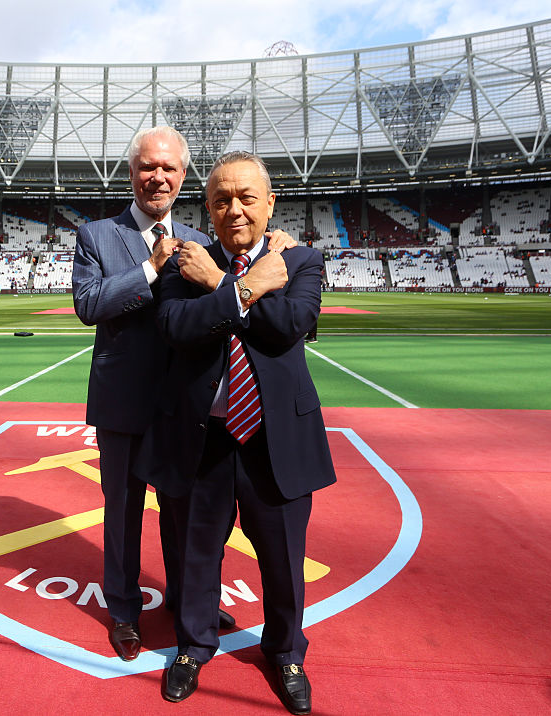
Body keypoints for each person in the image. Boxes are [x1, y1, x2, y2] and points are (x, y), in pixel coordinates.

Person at [72, 127, 295, 663]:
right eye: (149, 166)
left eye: (170, 169)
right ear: (132, 171)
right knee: (122, 510)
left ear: (183, 176)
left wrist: (278, 245)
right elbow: (88, 304)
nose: (159, 177)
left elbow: (245, 268)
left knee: (183, 513)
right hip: (125, 401)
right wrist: (151, 268)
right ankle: (124, 611)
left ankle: (185, 599)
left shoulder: (204, 233)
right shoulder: (97, 235)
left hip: (185, 404)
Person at [136, 151, 337, 714]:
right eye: (221, 199)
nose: (235, 209)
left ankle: (287, 652)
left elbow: (289, 327)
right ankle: (194, 645)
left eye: (247, 197)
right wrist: (244, 287)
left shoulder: (300, 262)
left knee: (283, 558)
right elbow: (177, 327)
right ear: (208, 207)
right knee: (197, 554)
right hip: (205, 438)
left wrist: (222, 287)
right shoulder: (182, 265)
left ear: (270, 203)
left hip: (275, 439)